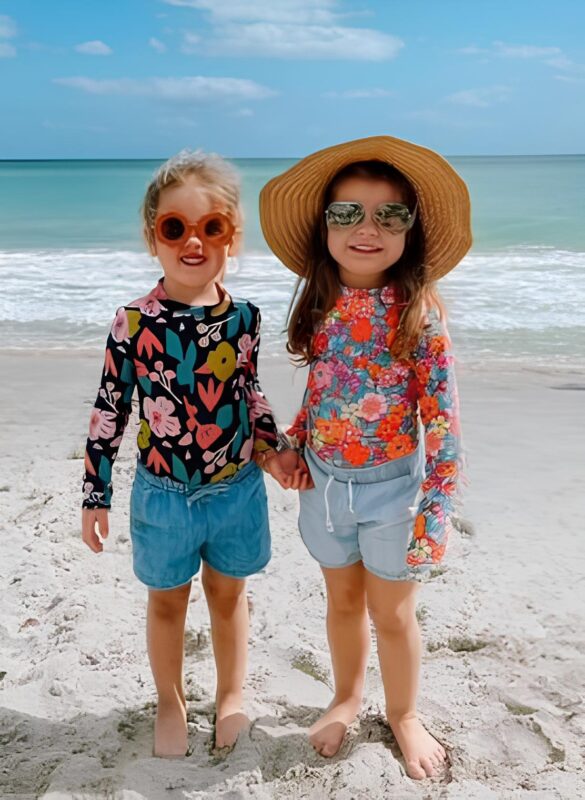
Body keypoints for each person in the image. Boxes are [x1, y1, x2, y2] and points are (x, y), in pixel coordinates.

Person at [259, 136, 472, 780]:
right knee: (343, 603)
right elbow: (322, 391)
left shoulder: (420, 315)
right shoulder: (320, 306)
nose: (368, 229)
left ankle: (405, 713)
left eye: (390, 215)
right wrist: (292, 444)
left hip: (394, 491)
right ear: (324, 226)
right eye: (347, 213)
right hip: (323, 485)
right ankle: (347, 696)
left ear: (413, 230)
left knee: (394, 611)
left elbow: (444, 424)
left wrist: (435, 510)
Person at [81, 150, 290, 758]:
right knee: (168, 602)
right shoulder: (133, 324)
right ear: (154, 238)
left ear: (233, 236)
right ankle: (170, 701)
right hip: (163, 495)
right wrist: (96, 493)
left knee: (229, 597)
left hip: (236, 490)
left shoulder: (245, 318)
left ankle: (231, 696)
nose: (193, 242)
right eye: (176, 228)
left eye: (211, 228)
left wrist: (274, 452)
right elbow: (109, 411)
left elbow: (249, 393)